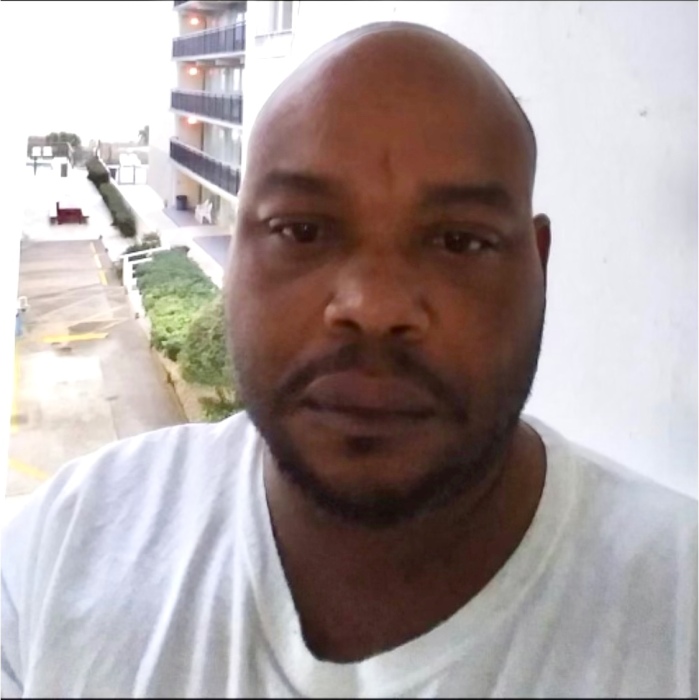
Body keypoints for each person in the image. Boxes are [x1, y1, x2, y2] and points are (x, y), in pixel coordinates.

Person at [2, 22, 696, 699]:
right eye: (301, 230)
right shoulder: (61, 550)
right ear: (234, 250)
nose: (373, 305)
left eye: (459, 242)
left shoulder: (677, 610)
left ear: (537, 268)